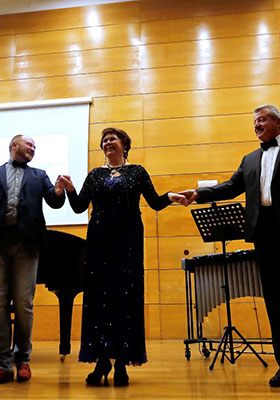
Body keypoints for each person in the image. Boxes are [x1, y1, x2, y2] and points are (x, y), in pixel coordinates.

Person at [180, 104, 280, 390]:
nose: (256, 125)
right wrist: (199, 193)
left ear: (278, 123)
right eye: (254, 122)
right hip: (265, 239)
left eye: (261, 120)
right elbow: (230, 186)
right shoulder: (250, 159)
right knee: (275, 306)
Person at [58, 127, 186, 387]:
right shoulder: (94, 175)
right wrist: (70, 189)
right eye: (104, 140)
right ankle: (102, 361)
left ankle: (122, 364)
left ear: (124, 145)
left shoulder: (137, 171)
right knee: (98, 301)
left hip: (128, 244)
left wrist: (170, 197)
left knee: (124, 301)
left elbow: (154, 202)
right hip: (98, 243)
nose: (107, 143)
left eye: (112, 139)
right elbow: (80, 207)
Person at [0, 134, 66, 386]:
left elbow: (54, 202)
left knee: (24, 303)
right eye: (29, 145)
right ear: (15, 146)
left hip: (28, 247)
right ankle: (3, 365)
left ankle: (23, 359)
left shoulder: (39, 175)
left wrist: (59, 192)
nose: (33, 148)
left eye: (35, 147)